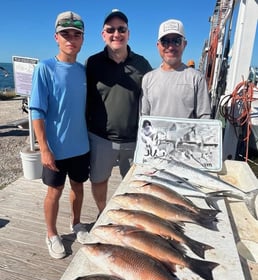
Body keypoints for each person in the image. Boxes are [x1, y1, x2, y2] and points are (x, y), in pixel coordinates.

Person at [29, 11, 90, 259]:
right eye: (66, 34)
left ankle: (76, 224)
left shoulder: (84, 71)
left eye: (76, 35)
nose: (71, 39)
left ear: (82, 40)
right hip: (55, 147)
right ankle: (51, 234)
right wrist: (44, 147)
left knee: (78, 186)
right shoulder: (45, 67)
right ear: (56, 37)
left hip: (81, 146)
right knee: (54, 192)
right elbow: (37, 111)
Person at [86, 9, 152, 214]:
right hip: (100, 139)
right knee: (98, 180)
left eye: (121, 29)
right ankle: (103, 213)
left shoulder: (143, 64)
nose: (116, 34)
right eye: (111, 29)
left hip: (134, 140)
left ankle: (131, 217)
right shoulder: (92, 63)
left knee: (135, 185)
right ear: (103, 34)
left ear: (128, 33)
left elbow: (153, 100)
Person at [140, 19, 211, 119]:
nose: (171, 47)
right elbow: (144, 118)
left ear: (184, 44)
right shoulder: (147, 79)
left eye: (176, 41)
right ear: (158, 46)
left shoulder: (197, 78)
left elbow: (204, 118)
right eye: (165, 42)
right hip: (156, 135)